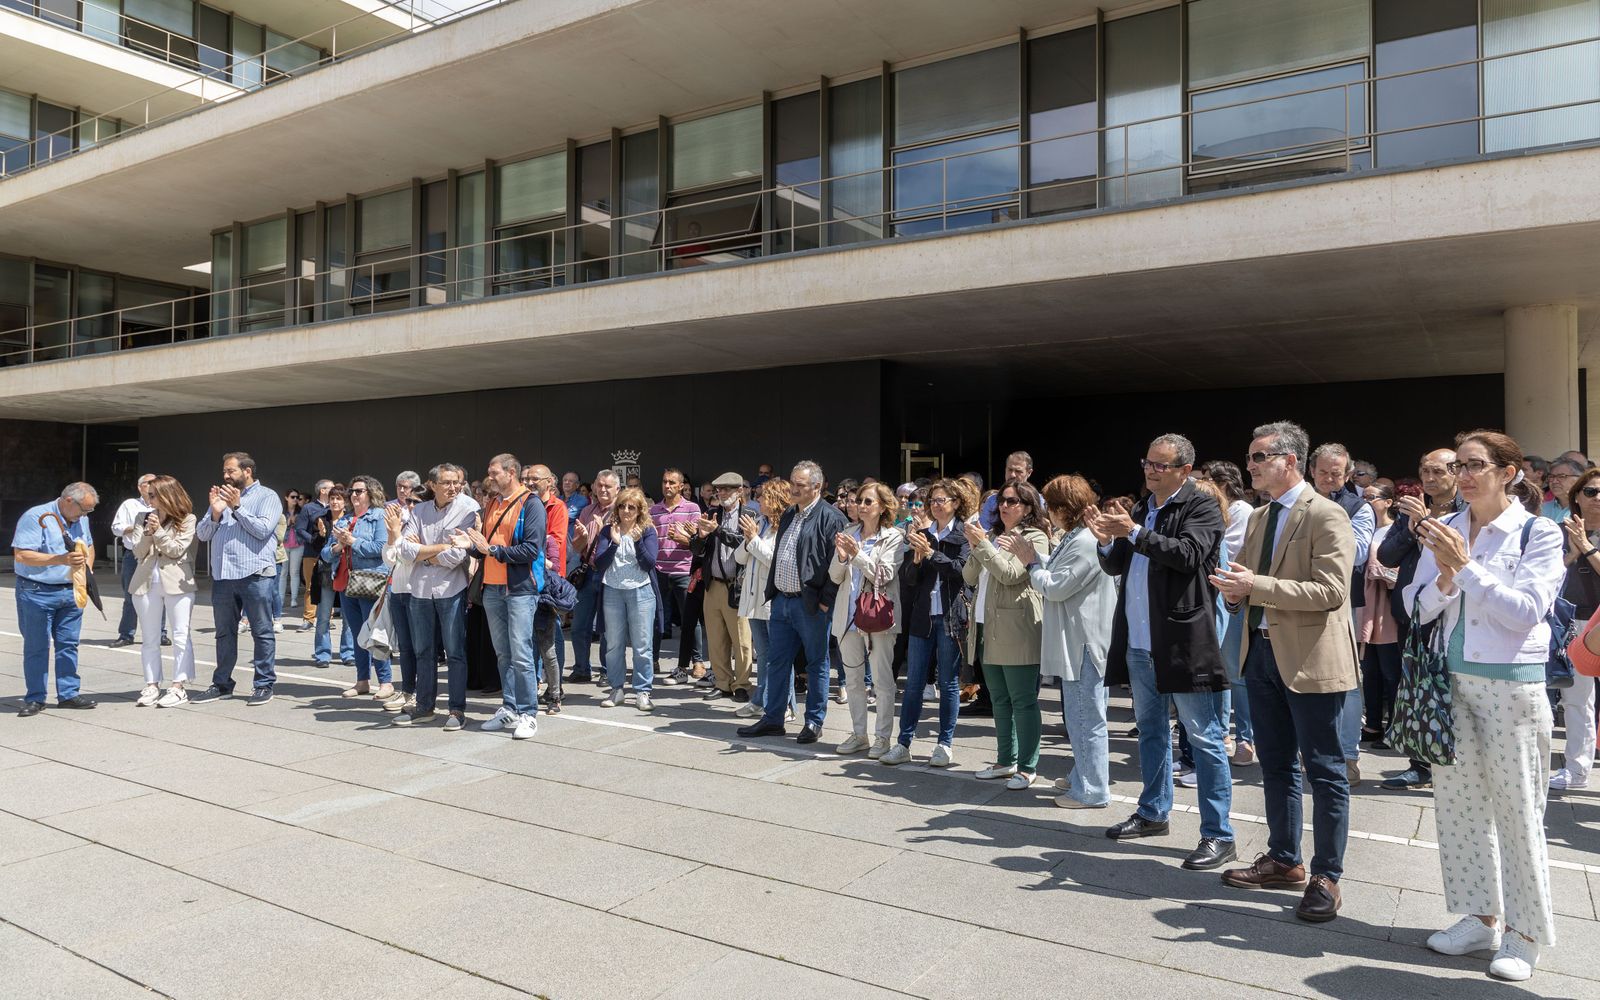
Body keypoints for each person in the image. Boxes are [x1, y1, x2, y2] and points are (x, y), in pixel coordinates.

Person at [1405, 430, 1562, 982]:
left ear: (1509, 472)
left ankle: (1524, 934)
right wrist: (1447, 578)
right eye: (1458, 466)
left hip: (1512, 685)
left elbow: (1525, 612)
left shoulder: (1537, 533)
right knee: (1460, 807)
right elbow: (1416, 605)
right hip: (1450, 682)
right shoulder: (1445, 528)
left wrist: (1464, 568)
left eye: (1476, 465)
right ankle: (1481, 917)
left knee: (1520, 813)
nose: (1464, 476)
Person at [1213, 421, 1356, 923]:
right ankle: (1284, 859)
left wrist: (1257, 585)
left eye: (1258, 457)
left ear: (1289, 460)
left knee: (1325, 771)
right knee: (1275, 765)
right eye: (1250, 457)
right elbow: (1251, 587)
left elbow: (1332, 592)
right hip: (1262, 655)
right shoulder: (1259, 517)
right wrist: (1235, 593)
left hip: (1312, 659)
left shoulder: (1327, 514)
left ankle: (1327, 876)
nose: (1249, 466)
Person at [1095, 434, 1236, 872]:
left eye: (1160, 465)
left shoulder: (1200, 505)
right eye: (1147, 463)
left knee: (1204, 737)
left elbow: (1190, 555)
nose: (1150, 470)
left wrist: (1134, 532)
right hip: (1140, 641)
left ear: (1183, 470)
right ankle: (1153, 812)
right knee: (1151, 731)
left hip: (1181, 640)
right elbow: (1118, 563)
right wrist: (1106, 540)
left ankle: (1219, 834)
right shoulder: (1142, 507)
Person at [737, 461, 848, 744]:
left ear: (817, 487)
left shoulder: (830, 517)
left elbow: (837, 565)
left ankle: (813, 721)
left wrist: (825, 602)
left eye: (800, 485)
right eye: (793, 483)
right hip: (782, 601)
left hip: (809, 604)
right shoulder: (789, 514)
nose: (794, 489)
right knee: (776, 662)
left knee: (816, 664)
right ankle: (773, 718)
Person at [1376, 449, 1464, 792]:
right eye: (1424, 471)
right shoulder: (1412, 510)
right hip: (1412, 613)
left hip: (1451, 611)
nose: (1429, 478)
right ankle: (1419, 763)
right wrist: (1411, 527)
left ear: (1455, 473)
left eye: (1438, 471)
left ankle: (1453, 756)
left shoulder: (1467, 511)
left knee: (1449, 689)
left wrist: (1428, 523)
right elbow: (1386, 555)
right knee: (1412, 688)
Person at [965, 479, 1052, 789]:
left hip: (1018, 628)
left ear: (1027, 507)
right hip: (986, 626)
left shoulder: (1035, 537)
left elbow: (1012, 574)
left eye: (1012, 501)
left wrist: (984, 546)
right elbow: (968, 575)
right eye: (1001, 500)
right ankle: (1005, 761)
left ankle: (1028, 766)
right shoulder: (993, 536)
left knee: (1023, 700)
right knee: (999, 699)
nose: (1004, 505)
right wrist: (979, 545)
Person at [453, 454, 545, 740]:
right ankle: (510, 707)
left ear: (511, 472)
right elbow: (485, 547)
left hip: (519, 589)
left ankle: (529, 713)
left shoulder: (531, 504)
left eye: (494, 473)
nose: (489, 477)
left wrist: (491, 550)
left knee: (521, 653)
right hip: (491, 587)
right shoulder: (492, 503)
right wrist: (471, 545)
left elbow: (531, 549)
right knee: (503, 653)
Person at [881, 479, 972, 766]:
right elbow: (908, 579)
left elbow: (961, 572)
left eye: (941, 500)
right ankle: (903, 742)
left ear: (956, 503)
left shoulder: (964, 534)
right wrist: (917, 560)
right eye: (932, 500)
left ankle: (944, 744)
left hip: (949, 617)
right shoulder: (922, 532)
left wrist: (931, 554)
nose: (935, 505)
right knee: (914, 683)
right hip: (922, 616)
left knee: (947, 683)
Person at [393, 463, 480, 730]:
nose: (453, 487)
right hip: (419, 589)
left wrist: (424, 552)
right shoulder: (418, 510)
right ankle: (424, 706)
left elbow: (457, 556)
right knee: (423, 651)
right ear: (433, 485)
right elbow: (404, 550)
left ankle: (456, 709)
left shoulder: (468, 510)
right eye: (446, 483)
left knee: (455, 652)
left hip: (450, 589)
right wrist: (439, 547)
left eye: (456, 482)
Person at [193, 453, 283, 706]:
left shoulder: (267, 496)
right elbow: (202, 534)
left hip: (255, 575)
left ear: (248, 471)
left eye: (231, 471)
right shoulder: (222, 497)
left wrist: (237, 507)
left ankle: (264, 685)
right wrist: (214, 512)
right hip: (224, 576)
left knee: (262, 631)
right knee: (224, 633)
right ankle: (222, 684)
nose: (225, 476)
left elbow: (263, 530)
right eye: (224, 471)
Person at [1309, 442, 1375, 786]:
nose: (1329, 479)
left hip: (1342, 603)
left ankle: (1348, 755)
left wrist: (1310, 543)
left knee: (1347, 681)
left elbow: (1358, 553)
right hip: (1297, 600)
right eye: (1323, 472)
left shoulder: (1359, 508)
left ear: (1348, 474)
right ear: (1311, 471)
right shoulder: (1293, 502)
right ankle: (1312, 750)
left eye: (1337, 473)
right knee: (1301, 676)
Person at [828, 482, 904, 755]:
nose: (860, 505)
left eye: (867, 501)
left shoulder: (894, 537)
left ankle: (883, 737)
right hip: (847, 616)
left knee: (883, 681)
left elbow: (884, 575)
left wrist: (858, 555)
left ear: (883, 506)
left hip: (878, 617)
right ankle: (859, 734)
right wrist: (841, 556)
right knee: (852, 680)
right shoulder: (848, 532)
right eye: (858, 500)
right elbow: (835, 576)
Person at [12, 482, 100, 716]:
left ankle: (69, 694)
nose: (85, 515)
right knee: (37, 646)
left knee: (68, 645)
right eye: (84, 509)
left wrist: (86, 571)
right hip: (37, 591)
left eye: (89, 511)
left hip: (71, 591)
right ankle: (35, 698)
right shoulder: (36, 516)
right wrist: (60, 560)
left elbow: (88, 546)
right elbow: (22, 555)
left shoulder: (81, 518)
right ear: (68, 500)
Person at [1199, 459, 1255, 766]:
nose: (1203, 486)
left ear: (1224, 483)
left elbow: (1229, 555)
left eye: (1209, 480)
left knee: (1234, 671)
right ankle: (1222, 733)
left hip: (1231, 597)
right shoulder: (1214, 511)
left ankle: (1245, 738)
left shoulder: (1240, 511)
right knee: (1219, 670)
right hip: (1213, 596)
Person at [322, 475, 393, 702]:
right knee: (356, 633)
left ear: (371, 493)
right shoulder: (345, 519)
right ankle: (362, 681)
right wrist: (337, 546)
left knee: (375, 632)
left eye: (359, 491)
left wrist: (353, 542)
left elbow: (381, 548)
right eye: (352, 491)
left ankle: (385, 681)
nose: (353, 494)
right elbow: (325, 553)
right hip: (347, 584)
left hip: (371, 581)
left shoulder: (379, 516)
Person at [128, 476, 197, 708]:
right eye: (148, 495)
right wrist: (148, 531)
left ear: (167, 495)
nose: (149, 499)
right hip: (145, 582)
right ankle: (151, 684)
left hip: (177, 582)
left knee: (180, 635)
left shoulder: (187, 519)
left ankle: (178, 686)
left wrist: (158, 531)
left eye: (153, 495)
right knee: (149, 637)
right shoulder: (142, 517)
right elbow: (138, 551)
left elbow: (176, 550)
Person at [1551, 466, 1600, 792]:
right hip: (1572, 622)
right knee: (1576, 699)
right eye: (1592, 492)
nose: (1598, 498)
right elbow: (1546, 576)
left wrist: (1588, 547)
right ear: (1577, 497)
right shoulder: (1558, 530)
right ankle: (1577, 770)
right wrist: (1571, 553)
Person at [593, 486, 660, 712]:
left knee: (642, 645)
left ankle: (643, 691)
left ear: (640, 510)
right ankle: (617, 689)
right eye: (622, 506)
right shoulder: (608, 530)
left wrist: (638, 542)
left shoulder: (648, 531)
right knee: (613, 644)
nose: (626, 511)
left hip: (641, 591)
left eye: (632, 507)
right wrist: (613, 543)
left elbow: (650, 563)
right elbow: (599, 563)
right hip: (612, 590)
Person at [734, 478, 793, 722]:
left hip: (772, 601)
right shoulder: (759, 523)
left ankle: (786, 704)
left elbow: (775, 560)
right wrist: (749, 538)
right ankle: (761, 700)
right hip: (753, 600)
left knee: (779, 656)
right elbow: (739, 557)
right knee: (766, 656)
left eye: (763, 497)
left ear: (776, 501)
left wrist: (754, 540)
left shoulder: (785, 528)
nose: (758, 501)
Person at [693, 472, 756, 702]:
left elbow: (744, 544)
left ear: (740, 491)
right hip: (713, 584)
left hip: (736, 585)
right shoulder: (712, 513)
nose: (722, 493)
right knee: (716, 638)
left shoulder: (749, 515)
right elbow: (696, 550)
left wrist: (715, 530)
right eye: (719, 490)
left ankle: (741, 684)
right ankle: (722, 683)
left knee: (741, 640)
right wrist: (700, 537)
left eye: (727, 489)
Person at [652, 468, 706, 685]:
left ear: (682, 486)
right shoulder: (654, 510)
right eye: (665, 482)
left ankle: (698, 661)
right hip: (659, 570)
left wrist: (685, 538)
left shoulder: (693, 509)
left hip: (684, 570)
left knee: (690, 619)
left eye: (672, 482)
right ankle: (653, 659)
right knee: (655, 617)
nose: (667, 486)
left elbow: (699, 541)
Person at [1358, 483, 1401, 750]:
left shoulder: (1396, 531)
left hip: (1387, 609)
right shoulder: (1363, 528)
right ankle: (1372, 724)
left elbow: (1401, 572)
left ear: (1388, 502)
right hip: (1365, 607)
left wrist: (1382, 571)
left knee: (1391, 674)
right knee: (1370, 672)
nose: (1367, 502)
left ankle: (1395, 727)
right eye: (1364, 497)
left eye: (1372, 498)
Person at [523, 465, 568, 713]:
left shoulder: (557, 507)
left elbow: (554, 548)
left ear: (549, 482)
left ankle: (555, 692)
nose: (529, 482)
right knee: (527, 647)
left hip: (546, 588)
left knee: (549, 646)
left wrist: (530, 550)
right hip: (522, 586)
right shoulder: (522, 504)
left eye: (534, 479)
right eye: (526, 479)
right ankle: (533, 689)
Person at [569, 470, 620, 684]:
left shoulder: (622, 511)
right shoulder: (587, 511)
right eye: (599, 485)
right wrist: (581, 537)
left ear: (617, 489)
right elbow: (577, 547)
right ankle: (581, 668)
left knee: (609, 627)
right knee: (579, 625)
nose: (603, 489)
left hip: (612, 574)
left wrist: (602, 532)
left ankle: (608, 671)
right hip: (589, 573)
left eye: (608, 486)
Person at [110, 473, 162, 648]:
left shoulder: (164, 503)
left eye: (156, 482)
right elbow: (116, 528)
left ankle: (160, 633)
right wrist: (138, 526)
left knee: (159, 594)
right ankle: (126, 634)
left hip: (158, 554)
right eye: (149, 483)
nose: (153, 486)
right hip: (134, 554)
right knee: (130, 595)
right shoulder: (129, 505)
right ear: (140, 487)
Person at [296, 479, 331, 630]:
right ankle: (309, 619)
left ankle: (327, 618)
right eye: (331, 488)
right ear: (323, 490)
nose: (335, 491)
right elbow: (300, 529)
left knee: (329, 586)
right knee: (311, 586)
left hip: (331, 552)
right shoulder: (308, 508)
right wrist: (313, 540)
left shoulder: (335, 507)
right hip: (312, 552)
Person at [979, 451, 1036, 530]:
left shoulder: (1039, 501)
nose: (1012, 475)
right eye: (1010, 470)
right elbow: (983, 530)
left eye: (1018, 471)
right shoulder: (992, 501)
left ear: (1029, 472)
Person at [282, 489, 306, 624]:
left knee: (295, 572)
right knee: (283, 573)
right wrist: (287, 522)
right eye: (292, 497)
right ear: (286, 498)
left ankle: (294, 599)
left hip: (298, 544)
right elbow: (277, 528)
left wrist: (295, 522)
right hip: (284, 544)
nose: (295, 499)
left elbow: (303, 527)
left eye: (297, 497)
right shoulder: (281, 511)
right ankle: (280, 599)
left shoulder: (301, 512)